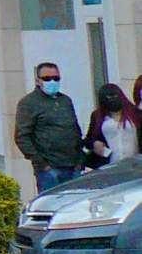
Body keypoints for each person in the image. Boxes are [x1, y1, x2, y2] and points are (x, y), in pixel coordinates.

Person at [14, 62, 85, 192]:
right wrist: (43, 165)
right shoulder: (29, 103)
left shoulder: (65, 101)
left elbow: (75, 130)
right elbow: (22, 137)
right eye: (47, 78)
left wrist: (79, 161)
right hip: (50, 169)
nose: (52, 81)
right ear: (38, 80)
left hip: (73, 166)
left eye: (56, 78)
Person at [84, 83, 141, 168]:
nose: (113, 100)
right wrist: (95, 143)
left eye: (115, 96)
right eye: (108, 97)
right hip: (109, 165)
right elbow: (89, 139)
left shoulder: (136, 114)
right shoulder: (97, 116)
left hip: (134, 164)